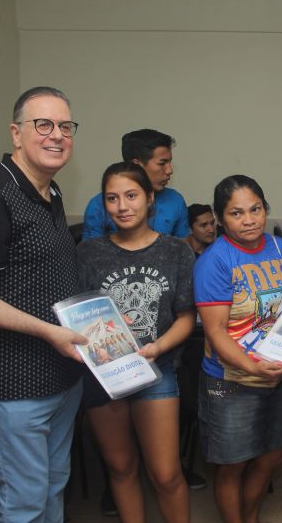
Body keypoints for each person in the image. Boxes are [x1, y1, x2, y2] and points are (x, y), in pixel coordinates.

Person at [0, 86, 89, 522]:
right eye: (42, 124)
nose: (56, 135)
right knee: (23, 503)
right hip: (15, 388)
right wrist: (49, 331)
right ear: (15, 133)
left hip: (62, 377)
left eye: (65, 126)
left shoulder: (50, 191)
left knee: (51, 489)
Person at [77, 161, 195, 522]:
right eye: (112, 198)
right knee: (121, 468)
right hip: (104, 377)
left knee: (166, 473)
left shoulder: (176, 251)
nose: (122, 206)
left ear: (149, 199)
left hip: (156, 371)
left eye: (131, 196)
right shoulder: (87, 253)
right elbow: (79, 316)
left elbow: (186, 316)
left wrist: (158, 347)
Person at [194, 175, 282, 523]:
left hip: (274, 375)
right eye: (237, 213)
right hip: (231, 381)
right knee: (233, 465)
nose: (249, 219)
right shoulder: (215, 261)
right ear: (221, 219)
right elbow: (216, 333)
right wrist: (253, 368)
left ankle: (249, 514)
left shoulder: (280, 249)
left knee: (272, 457)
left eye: (255, 209)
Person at [82, 129, 189, 240]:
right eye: (162, 163)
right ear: (137, 165)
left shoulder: (175, 200)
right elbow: (91, 253)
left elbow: (182, 249)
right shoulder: (99, 206)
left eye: (169, 162)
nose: (169, 170)